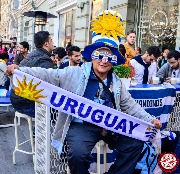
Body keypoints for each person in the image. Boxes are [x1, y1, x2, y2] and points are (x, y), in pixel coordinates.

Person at [7, 10, 162, 174]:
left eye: (108, 57)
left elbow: (129, 105)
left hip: (111, 125)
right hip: (81, 125)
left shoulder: (116, 81)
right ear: (92, 56)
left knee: (135, 143)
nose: (104, 61)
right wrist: (21, 70)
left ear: (114, 61)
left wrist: (150, 119)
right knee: (77, 155)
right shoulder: (74, 73)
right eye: (100, 55)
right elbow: (48, 75)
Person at [10, 31, 54, 118]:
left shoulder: (31, 55)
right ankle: (39, 131)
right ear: (46, 44)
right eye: (51, 41)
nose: (53, 43)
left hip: (16, 99)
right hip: (26, 104)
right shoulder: (45, 61)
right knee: (58, 112)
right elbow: (48, 86)